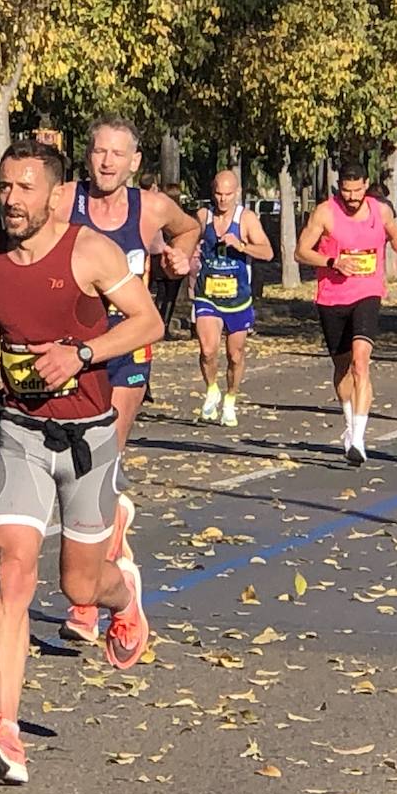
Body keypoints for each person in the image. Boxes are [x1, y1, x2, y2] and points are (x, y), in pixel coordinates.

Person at [0, 139, 159, 784]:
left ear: (56, 194)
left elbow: (148, 323)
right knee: (12, 569)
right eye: (5, 186)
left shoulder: (89, 251)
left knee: (78, 588)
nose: (12, 199)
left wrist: (84, 355)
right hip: (21, 434)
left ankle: (124, 598)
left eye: (26, 187)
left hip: (90, 440)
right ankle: (4, 730)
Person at [54, 117, 198, 644]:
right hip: (72, 350)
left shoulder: (151, 208)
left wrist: (180, 257)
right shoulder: (63, 199)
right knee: (76, 466)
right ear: (87, 156)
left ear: (135, 161)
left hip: (128, 343)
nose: (107, 162)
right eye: (98, 152)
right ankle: (110, 534)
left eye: (118, 154)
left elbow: (189, 227)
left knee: (99, 456)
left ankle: (90, 599)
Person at [295, 160, 397, 465]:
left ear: (366, 185)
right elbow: (301, 251)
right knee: (343, 366)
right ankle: (349, 426)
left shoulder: (380, 210)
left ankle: (359, 438)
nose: (351, 197)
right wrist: (332, 262)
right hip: (332, 298)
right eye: (346, 191)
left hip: (368, 292)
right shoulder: (325, 212)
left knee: (362, 362)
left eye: (357, 190)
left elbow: (396, 235)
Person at [190, 170, 273, 426]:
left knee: (235, 355)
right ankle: (212, 388)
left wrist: (242, 246)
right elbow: (187, 239)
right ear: (212, 192)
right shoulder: (203, 217)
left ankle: (230, 398)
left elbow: (268, 252)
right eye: (218, 194)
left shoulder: (246, 219)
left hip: (238, 298)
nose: (222, 200)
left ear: (236, 193)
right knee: (207, 350)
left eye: (227, 194)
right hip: (208, 296)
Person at [148, 182, 186, 331]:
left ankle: (157, 323)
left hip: (158, 255)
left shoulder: (160, 213)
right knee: (170, 293)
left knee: (161, 292)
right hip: (171, 255)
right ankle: (164, 324)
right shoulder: (178, 216)